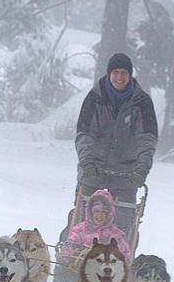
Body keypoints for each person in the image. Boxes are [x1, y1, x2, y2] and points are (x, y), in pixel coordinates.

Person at [60, 52, 158, 243]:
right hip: (94, 168)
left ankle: (120, 258)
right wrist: (87, 163)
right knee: (83, 218)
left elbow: (147, 138)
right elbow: (83, 135)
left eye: (124, 73)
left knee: (123, 225)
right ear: (109, 74)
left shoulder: (142, 102)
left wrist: (142, 168)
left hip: (126, 172)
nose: (119, 77)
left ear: (130, 75)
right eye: (115, 72)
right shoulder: (95, 99)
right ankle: (72, 255)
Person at [60, 189, 132, 262]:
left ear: (109, 214)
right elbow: (68, 248)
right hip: (79, 268)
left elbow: (125, 257)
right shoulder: (80, 229)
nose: (99, 216)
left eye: (103, 212)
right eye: (96, 212)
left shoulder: (117, 235)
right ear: (91, 212)